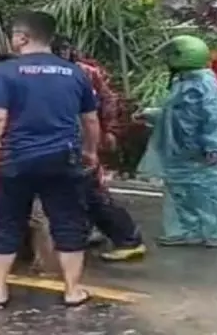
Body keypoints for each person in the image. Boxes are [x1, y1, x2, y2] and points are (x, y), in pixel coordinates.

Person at [0, 10, 100, 308]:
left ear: (22, 37)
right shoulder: (74, 72)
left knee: (7, 223)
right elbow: (90, 120)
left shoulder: (4, 72)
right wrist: (91, 151)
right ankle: (72, 290)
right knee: (67, 222)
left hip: (16, 160)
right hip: (62, 159)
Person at [137, 35, 217, 248]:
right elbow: (178, 114)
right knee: (181, 191)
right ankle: (187, 231)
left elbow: (213, 117)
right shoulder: (185, 82)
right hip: (181, 150)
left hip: (198, 150)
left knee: (210, 191)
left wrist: (212, 146)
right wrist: (152, 115)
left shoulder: (203, 84)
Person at [52, 35, 147, 262]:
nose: (64, 53)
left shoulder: (83, 73)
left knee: (90, 192)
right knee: (78, 192)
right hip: (72, 138)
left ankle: (127, 238)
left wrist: (109, 131)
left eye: (66, 48)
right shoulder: (59, 72)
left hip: (80, 139)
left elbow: (106, 102)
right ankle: (87, 233)